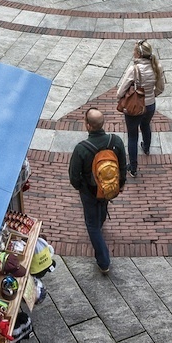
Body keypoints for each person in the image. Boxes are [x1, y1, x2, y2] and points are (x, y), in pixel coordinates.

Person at [68, 108, 127, 275]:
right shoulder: (116, 141)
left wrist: (81, 188)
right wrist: (120, 184)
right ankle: (101, 221)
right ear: (103, 124)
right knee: (103, 204)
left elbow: (74, 177)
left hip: (90, 192)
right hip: (109, 188)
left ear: (88, 126)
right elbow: (122, 165)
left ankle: (104, 261)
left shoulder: (82, 149)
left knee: (92, 226)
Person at [116, 40, 162, 178]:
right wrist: (151, 96)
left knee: (132, 136)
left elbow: (120, 91)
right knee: (146, 125)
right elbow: (160, 88)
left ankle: (133, 167)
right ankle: (147, 148)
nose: (132, 52)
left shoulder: (134, 70)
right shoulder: (157, 67)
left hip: (135, 107)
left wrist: (120, 98)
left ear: (139, 54)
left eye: (134, 50)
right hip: (150, 105)